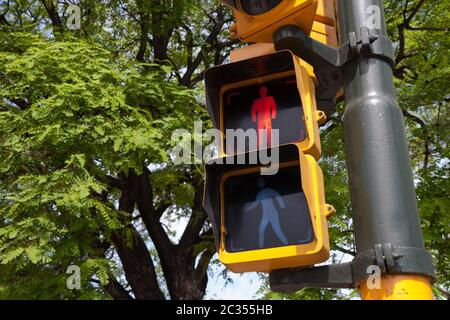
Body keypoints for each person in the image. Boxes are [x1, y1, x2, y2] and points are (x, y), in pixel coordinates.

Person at [244, 177, 288, 248]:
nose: (260, 183)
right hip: (266, 215)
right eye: (259, 182)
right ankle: (261, 248)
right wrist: (247, 209)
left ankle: (286, 243)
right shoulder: (260, 194)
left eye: (261, 182)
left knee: (277, 229)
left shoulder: (268, 190)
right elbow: (255, 204)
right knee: (262, 230)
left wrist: (282, 205)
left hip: (272, 213)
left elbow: (277, 195)